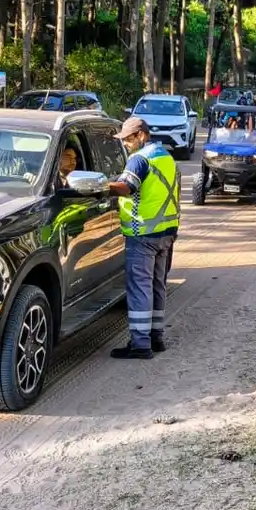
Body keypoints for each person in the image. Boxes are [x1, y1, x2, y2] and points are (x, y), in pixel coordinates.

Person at [105, 117, 180, 360]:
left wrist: (104, 185)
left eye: (128, 139)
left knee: (140, 288)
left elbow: (127, 188)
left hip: (143, 234)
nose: (125, 144)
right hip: (166, 232)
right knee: (157, 285)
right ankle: (156, 337)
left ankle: (140, 344)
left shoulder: (140, 159)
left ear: (141, 135)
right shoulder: (165, 156)